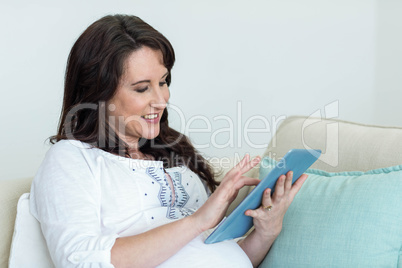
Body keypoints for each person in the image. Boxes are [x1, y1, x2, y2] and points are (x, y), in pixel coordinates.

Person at [30, 14, 308, 268]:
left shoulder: (175, 155)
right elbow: (79, 260)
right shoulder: (72, 159)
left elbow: (220, 254)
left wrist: (267, 230)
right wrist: (197, 221)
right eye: (142, 88)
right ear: (98, 93)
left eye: (163, 82)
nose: (162, 100)